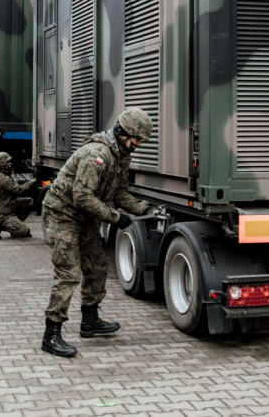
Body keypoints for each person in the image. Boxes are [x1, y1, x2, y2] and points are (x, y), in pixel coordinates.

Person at [40, 106, 157, 358]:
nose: (138, 143)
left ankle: (90, 322)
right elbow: (82, 197)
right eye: (137, 138)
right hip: (63, 214)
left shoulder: (120, 154)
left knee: (97, 266)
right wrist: (116, 218)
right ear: (124, 132)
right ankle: (51, 335)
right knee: (69, 274)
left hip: (83, 216)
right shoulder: (97, 153)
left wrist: (143, 208)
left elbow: (117, 193)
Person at [0, 152, 36, 239]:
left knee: (28, 202)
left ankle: (13, 226)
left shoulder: (6, 174)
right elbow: (18, 190)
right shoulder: (2, 178)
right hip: (1, 214)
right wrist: (33, 181)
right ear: (1, 164)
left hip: (8, 206)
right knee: (25, 231)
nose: (10, 163)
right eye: (7, 162)